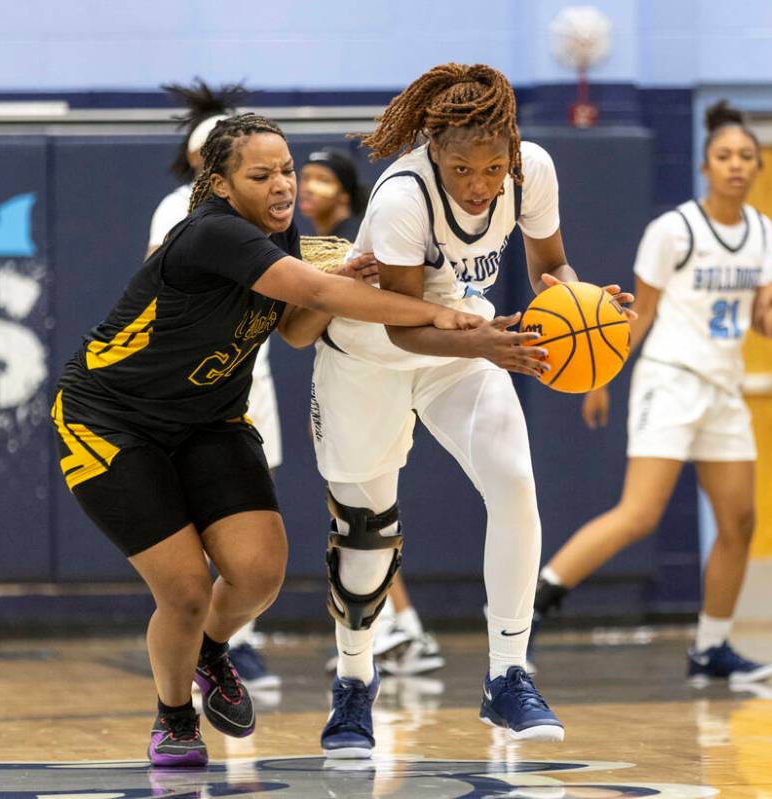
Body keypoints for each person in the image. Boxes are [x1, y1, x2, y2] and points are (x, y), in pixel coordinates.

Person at [50, 112, 481, 768]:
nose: (284, 184)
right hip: (110, 419)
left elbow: (297, 329)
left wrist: (346, 287)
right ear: (222, 185)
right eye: (263, 174)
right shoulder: (211, 233)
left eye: (286, 169)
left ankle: (207, 651)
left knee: (258, 574)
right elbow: (308, 287)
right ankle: (173, 715)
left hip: (210, 419)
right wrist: (435, 312)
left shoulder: (281, 235)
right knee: (188, 591)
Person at [302, 63, 632, 756]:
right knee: (366, 532)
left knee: (514, 483)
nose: (479, 184)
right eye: (460, 168)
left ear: (512, 149)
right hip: (374, 351)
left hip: (461, 343)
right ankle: (354, 682)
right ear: (432, 151)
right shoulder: (401, 196)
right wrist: (482, 342)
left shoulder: (531, 171)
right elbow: (398, 320)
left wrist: (587, 308)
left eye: (491, 167)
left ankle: (507, 674)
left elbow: (553, 270)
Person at [527, 101, 772, 688]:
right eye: (725, 156)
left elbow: (762, 320)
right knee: (639, 514)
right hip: (669, 377)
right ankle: (532, 608)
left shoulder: (763, 233)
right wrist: (601, 378)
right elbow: (638, 315)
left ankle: (711, 646)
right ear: (706, 166)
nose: (736, 165)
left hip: (724, 387)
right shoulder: (673, 230)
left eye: (747, 157)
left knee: (739, 521)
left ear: (758, 167)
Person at [146, 79, 280, 691]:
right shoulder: (181, 212)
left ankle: (229, 642)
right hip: (184, 384)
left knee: (247, 522)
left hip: (248, 374)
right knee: (189, 528)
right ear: (210, 167)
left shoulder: (273, 213)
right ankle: (196, 636)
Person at [299, 148, 445, 679]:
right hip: (342, 368)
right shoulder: (302, 246)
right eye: (304, 176)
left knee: (362, 515)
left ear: (345, 191)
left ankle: (399, 626)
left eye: (321, 178)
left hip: (378, 374)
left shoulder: (364, 239)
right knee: (359, 512)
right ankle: (396, 626)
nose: (306, 186)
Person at [299, 146, 367, 240]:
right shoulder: (329, 239)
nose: (308, 188)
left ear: (344, 194)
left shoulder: (349, 243)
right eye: (305, 178)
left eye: (323, 180)